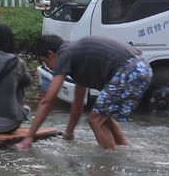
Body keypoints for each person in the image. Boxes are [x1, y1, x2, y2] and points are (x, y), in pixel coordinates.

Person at [16, 35, 153, 150]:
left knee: (95, 120)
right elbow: (78, 101)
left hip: (130, 70)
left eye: (45, 62)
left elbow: (48, 100)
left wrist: (29, 137)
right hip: (142, 67)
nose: (48, 67)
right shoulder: (76, 55)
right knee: (104, 117)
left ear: (51, 54)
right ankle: (124, 150)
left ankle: (110, 164)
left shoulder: (65, 55)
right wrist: (69, 132)